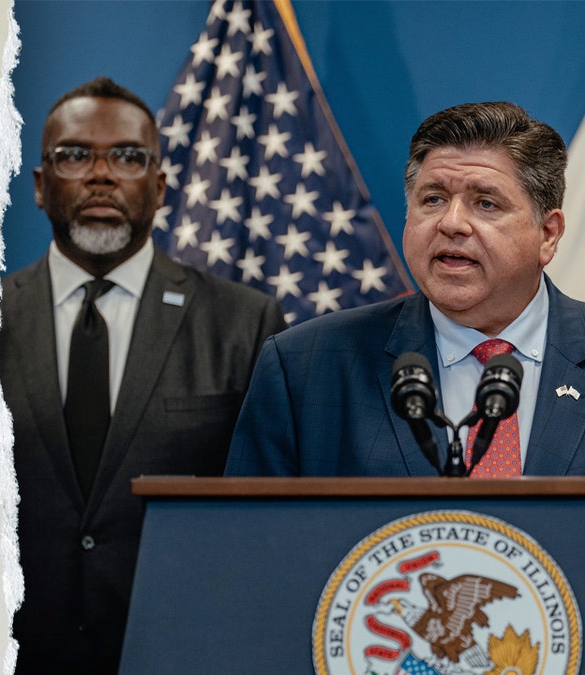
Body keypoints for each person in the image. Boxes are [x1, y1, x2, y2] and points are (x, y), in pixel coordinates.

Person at [0, 77, 287, 674]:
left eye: (127, 156)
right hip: (17, 653)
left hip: (182, 651)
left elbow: (264, 525)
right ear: (41, 187)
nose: (101, 174)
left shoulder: (243, 322)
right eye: (75, 155)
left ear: (158, 187)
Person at [224, 101, 585, 477]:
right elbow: (252, 534)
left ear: (547, 234)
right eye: (433, 199)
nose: (452, 223)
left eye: (486, 203)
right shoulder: (304, 367)